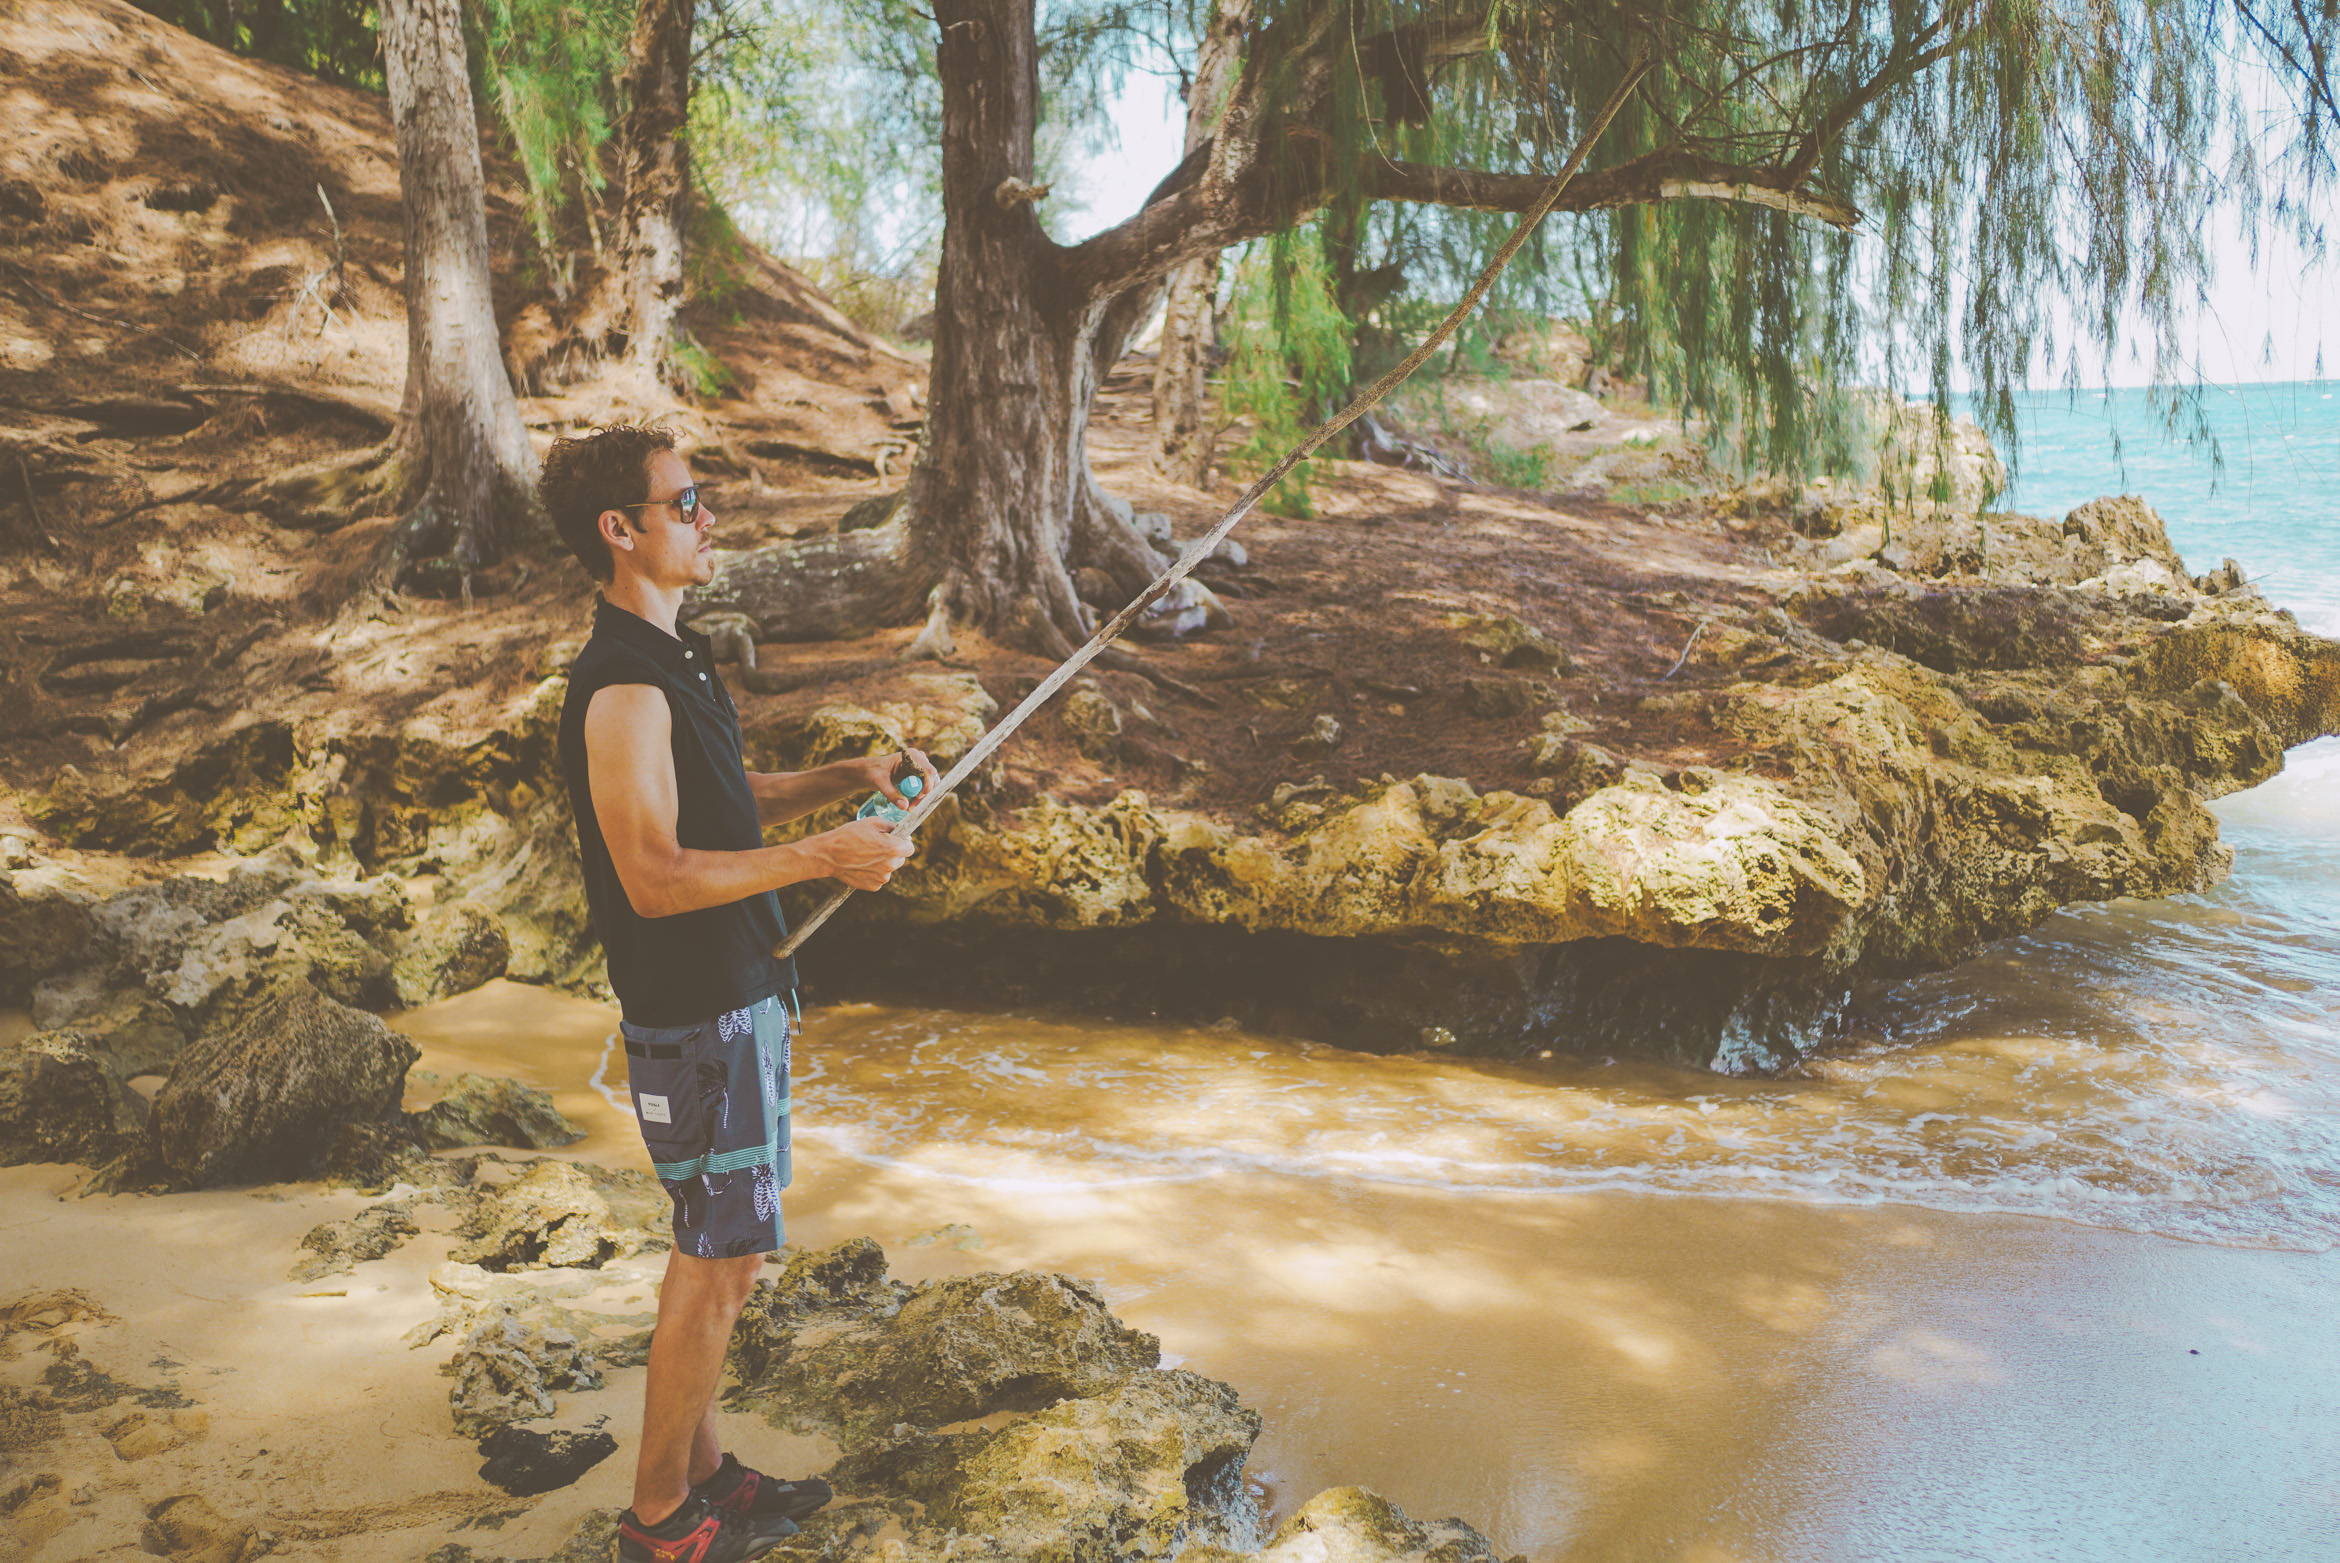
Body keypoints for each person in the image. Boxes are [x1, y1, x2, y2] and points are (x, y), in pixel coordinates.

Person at [542, 425, 938, 1563]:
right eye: (687, 501)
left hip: (742, 995)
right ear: (622, 530)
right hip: (699, 1011)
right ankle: (659, 1521)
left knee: (729, 1254)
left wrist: (839, 784)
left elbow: (720, 798)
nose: (709, 517)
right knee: (715, 1268)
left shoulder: (675, 655)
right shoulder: (618, 686)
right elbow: (656, 877)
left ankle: (707, 1478)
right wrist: (824, 857)